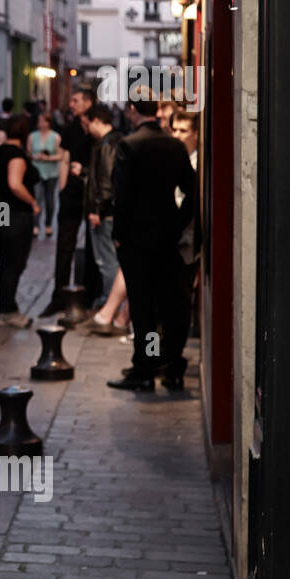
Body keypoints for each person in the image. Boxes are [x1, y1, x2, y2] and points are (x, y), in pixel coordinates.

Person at [107, 94, 197, 392]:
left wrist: (119, 234)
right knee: (170, 304)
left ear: (133, 111)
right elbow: (192, 192)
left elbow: (122, 198)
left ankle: (144, 368)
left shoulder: (129, 145)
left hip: (136, 238)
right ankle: (170, 364)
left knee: (143, 307)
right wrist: (176, 223)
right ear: (157, 111)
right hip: (167, 238)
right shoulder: (174, 145)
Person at [42, 85, 99, 316]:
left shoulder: (98, 127)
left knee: (93, 248)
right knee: (64, 247)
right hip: (72, 194)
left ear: (88, 103)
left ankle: (88, 297)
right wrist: (63, 188)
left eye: (75, 100)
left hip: (92, 194)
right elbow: (64, 159)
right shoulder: (70, 128)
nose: (71, 104)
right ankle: (60, 296)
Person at [0, 114, 40, 328]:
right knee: (13, 261)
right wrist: (32, 201)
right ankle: (8, 310)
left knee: (6, 259)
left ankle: (7, 309)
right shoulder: (17, 155)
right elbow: (15, 184)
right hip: (13, 211)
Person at [82, 104, 125, 319]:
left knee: (107, 261)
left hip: (105, 213)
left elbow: (107, 181)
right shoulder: (111, 141)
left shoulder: (108, 144)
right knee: (109, 260)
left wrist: (96, 209)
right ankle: (112, 305)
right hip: (107, 211)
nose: (87, 128)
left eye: (88, 123)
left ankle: (112, 307)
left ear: (97, 121)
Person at [170, 109, 202, 338]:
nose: (177, 135)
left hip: (187, 237)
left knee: (179, 298)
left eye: (183, 130)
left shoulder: (198, 161)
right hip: (173, 236)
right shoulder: (174, 156)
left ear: (196, 134)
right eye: (174, 130)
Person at [28, 111, 63, 237]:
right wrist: (35, 156)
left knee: (50, 199)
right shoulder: (32, 136)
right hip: (37, 171)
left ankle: (48, 224)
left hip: (51, 172)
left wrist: (48, 158)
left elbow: (60, 155)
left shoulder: (56, 137)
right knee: (36, 198)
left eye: (43, 121)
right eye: (39, 121)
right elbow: (28, 153)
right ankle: (35, 225)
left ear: (49, 123)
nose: (40, 123)